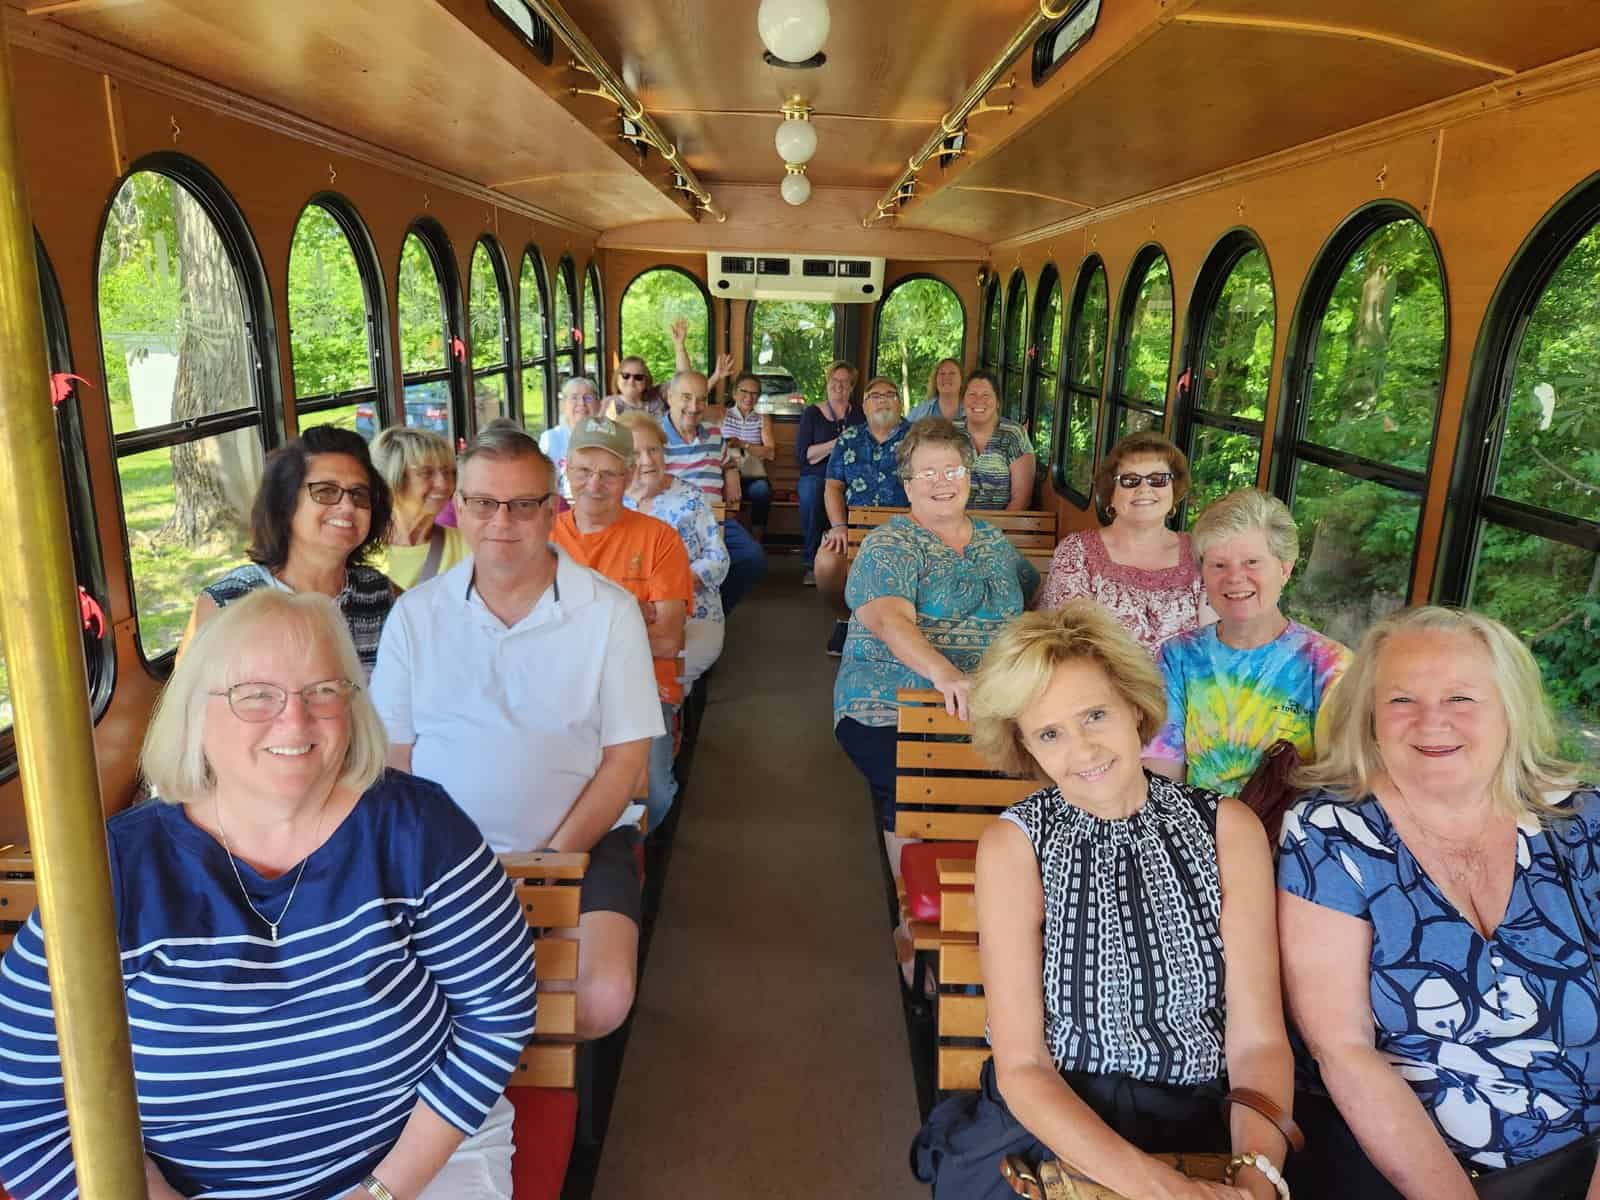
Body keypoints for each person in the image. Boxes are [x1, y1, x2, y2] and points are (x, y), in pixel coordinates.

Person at [0, 589, 537, 1200]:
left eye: (322, 691)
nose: (295, 720)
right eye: (256, 695)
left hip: (415, 1163)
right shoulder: (110, 875)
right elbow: (28, 1107)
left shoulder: (418, 829)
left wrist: (381, 1192)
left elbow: (496, 1015)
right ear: (194, 715)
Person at [912, 600, 1293, 1200]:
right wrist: (1165, 1190)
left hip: (1203, 1115)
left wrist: (1255, 1177)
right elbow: (1024, 1067)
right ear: (1026, 748)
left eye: (1095, 715)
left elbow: (1257, 1041)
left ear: (1135, 709)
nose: (1082, 750)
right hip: (1051, 1119)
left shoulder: (1228, 829)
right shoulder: (1016, 847)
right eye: (1050, 733)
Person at [1278, 606, 1600, 1200]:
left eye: (1461, 699)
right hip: (1425, 1171)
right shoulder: (1332, 834)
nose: (1432, 723)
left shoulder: (1583, 824)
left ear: (1510, 709)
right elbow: (1343, 1049)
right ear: (1370, 717)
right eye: (1401, 701)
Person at [370, 426, 663, 1041]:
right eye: (482, 503)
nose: (501, 520)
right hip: (440, 859)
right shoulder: (416, 617)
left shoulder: (608, 612)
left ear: (552, 506)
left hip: (579, 846)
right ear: (462, 507)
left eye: (523, 504)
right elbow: (395, 761)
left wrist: (551, 866)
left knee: (598, 998)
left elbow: (625, 761)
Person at [833, 417, 1040, 878]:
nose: (942, 483)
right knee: (921, 788)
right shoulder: (890, 543)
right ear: (908, 486)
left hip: (990, 700)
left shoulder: (993, 540)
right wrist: (943, 671)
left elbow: (1033, 596)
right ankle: (915, 917)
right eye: (927, 474)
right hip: (892, 700)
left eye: (953, 471)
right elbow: (889, 619)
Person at [1145, 488, 1350, 796]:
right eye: (1218, 565)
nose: (1234, 578)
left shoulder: (1330, 665)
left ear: (1285, 569)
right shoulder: (1179, 656)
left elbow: (1339, 786)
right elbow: (1163, 773)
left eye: (1252, 562)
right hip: (1199, 827)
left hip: (1290, 836)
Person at [552, 415, 694, 832]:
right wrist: (627, 614)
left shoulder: (660, 540)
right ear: (566, 469)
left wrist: (569, 623)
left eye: (608, 473)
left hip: (641, 688)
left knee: (656, 793)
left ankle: (624, 870)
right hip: (554, 688)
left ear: (629, 474)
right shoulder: (541, 538)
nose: (593, 484)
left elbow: (667, 640)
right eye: (583, 471)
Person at [182, 424, 396, 678]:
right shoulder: (228, 603)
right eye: (326, 491)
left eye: (359, 494)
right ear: (285, 504)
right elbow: (191, 704)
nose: (347, 505)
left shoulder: (378, 593)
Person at [1037, 431, 1212, 655]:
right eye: (1130, 481)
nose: (1144, 489)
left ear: (1173, 489)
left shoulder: (1200, 554)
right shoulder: (1078, 554)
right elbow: (1067, 643)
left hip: (1188, 686)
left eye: (1158, 480)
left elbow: (1213, 641)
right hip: (1104, 686)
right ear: (1111, 493)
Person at [620, 410, 729, 689]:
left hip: (695, 616)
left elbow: (718, 559)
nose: (647, 460)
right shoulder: (613, 504)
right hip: (627, 619)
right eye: (636, 453)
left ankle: (666, 719)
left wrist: (672, 587)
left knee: (654, 681)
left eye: (653, 449)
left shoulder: (691, 498)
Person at [815, 376, 911, 655]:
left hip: (905, 529)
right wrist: (838, 526)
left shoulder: (919, 437)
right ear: (865, 406)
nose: (882, 399)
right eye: (874, 395)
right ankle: (845, 618)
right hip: (855, 528)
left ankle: (899, 629)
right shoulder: (848, 439)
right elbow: (832, 487)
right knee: (826, 562)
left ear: (900, 403)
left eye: (890, 393)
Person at [660, 369, 767, 613]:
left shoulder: (714, 434)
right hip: (673, 526)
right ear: (670, 397)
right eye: (686, 397)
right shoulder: (655, 438)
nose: (694, 406)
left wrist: (731, 474)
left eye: (701, 399)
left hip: (715, 520)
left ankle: (717, 609)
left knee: (753, 559)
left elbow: (727, 460)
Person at [369, 425, 469, 589]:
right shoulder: (359, 551)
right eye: (426, 473)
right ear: (392, 478)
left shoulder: (468, 546)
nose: (444, 484)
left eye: (448, 472)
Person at [795, 360, 865, 586]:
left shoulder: (860, 416)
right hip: (816, 475)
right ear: (827, 383)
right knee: (812, 492)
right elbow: (804, 455)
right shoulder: (812, 414)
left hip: (849, 476)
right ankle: (811, 561)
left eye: (845, 382)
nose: (839, 385)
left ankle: (854, 561)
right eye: (835, 380)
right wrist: (838, 443)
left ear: (852, 387)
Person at [604, 317, 733, 420]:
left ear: (646, 380)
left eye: (638, 377)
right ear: (617, 377)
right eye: (626, 375)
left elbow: (684, 383)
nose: (631, 381)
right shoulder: (609, 405)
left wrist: (679, 346)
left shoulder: (657, 395)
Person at [956, 370, 1036, 510]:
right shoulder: (951, 432)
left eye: (986, 395)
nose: (979, 400)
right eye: (972, 394)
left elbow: (1021, 499)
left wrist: (998, 531)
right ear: (963, 401)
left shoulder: (1013, 434)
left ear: (998, 401)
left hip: (1003, 525)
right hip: (955, 524)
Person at [720, 371, 776, 541]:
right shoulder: (722, 415)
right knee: (717, 491)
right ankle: (725, 539)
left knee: (762, 491)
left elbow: (771, 452)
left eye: (754, 393)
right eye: (744, 392)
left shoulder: (762, 419)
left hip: (752, 475)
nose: (749, 397)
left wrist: (742, 444)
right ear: (735, 393)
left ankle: (756, 540)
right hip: (725, 473)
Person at [539, 375, 601, 498]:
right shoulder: (550, 439)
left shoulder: (608, 436)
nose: (581, 403)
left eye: (588, 398)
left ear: (598, 404)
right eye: (574, 398)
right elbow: (541, 481)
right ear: (563, 405)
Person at [906, 356, 964, 422]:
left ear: (962, 379)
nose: (947, 377)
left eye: (952, 373)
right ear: (935, 381)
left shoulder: (970, 411)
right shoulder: (919, 412)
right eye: (942, 374)